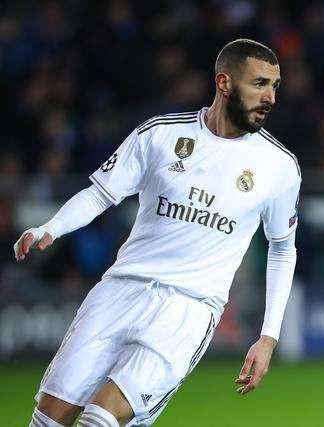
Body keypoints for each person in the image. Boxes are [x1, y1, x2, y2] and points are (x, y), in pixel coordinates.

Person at [14, 39, 301, 427]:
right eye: (259, 84)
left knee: (101, 418)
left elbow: (282, 249)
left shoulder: (279, 166)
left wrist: (268, 336)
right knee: (48, 419)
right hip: (118, 292)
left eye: (275, 86)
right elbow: (101, 193)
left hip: (187, 310)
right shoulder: (160, 135)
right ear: (224, 83)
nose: (270, 97)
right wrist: (51, 227)